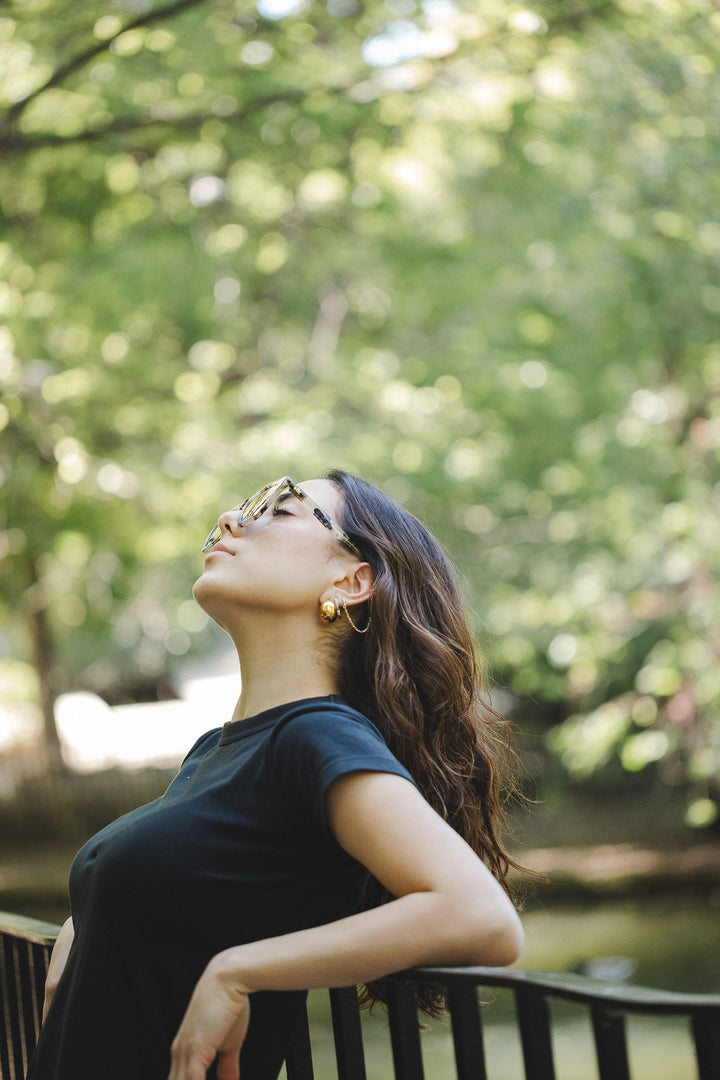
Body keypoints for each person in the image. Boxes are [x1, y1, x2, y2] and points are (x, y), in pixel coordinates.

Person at [30, 470, 524, 1080]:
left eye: (282, 511)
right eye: (244, 507)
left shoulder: (316, 736)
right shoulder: (217, 751)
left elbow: (482, 917)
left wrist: (238, 973)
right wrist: (95, 912)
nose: (233, 520)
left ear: (352, 580)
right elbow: (198, 889)